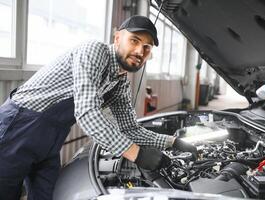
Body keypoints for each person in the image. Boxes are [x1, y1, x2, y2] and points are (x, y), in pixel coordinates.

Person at [0, 15, 197, 200]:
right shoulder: (94, 52)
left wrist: (173, 142)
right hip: (18, 128)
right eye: (134, 41)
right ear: (118, 38)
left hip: (52, 138)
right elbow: (87, 112)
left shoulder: (120, 82)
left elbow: (130, 128)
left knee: (48, 194)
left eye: (147, 47)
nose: (140, 52)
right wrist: (137, 154)